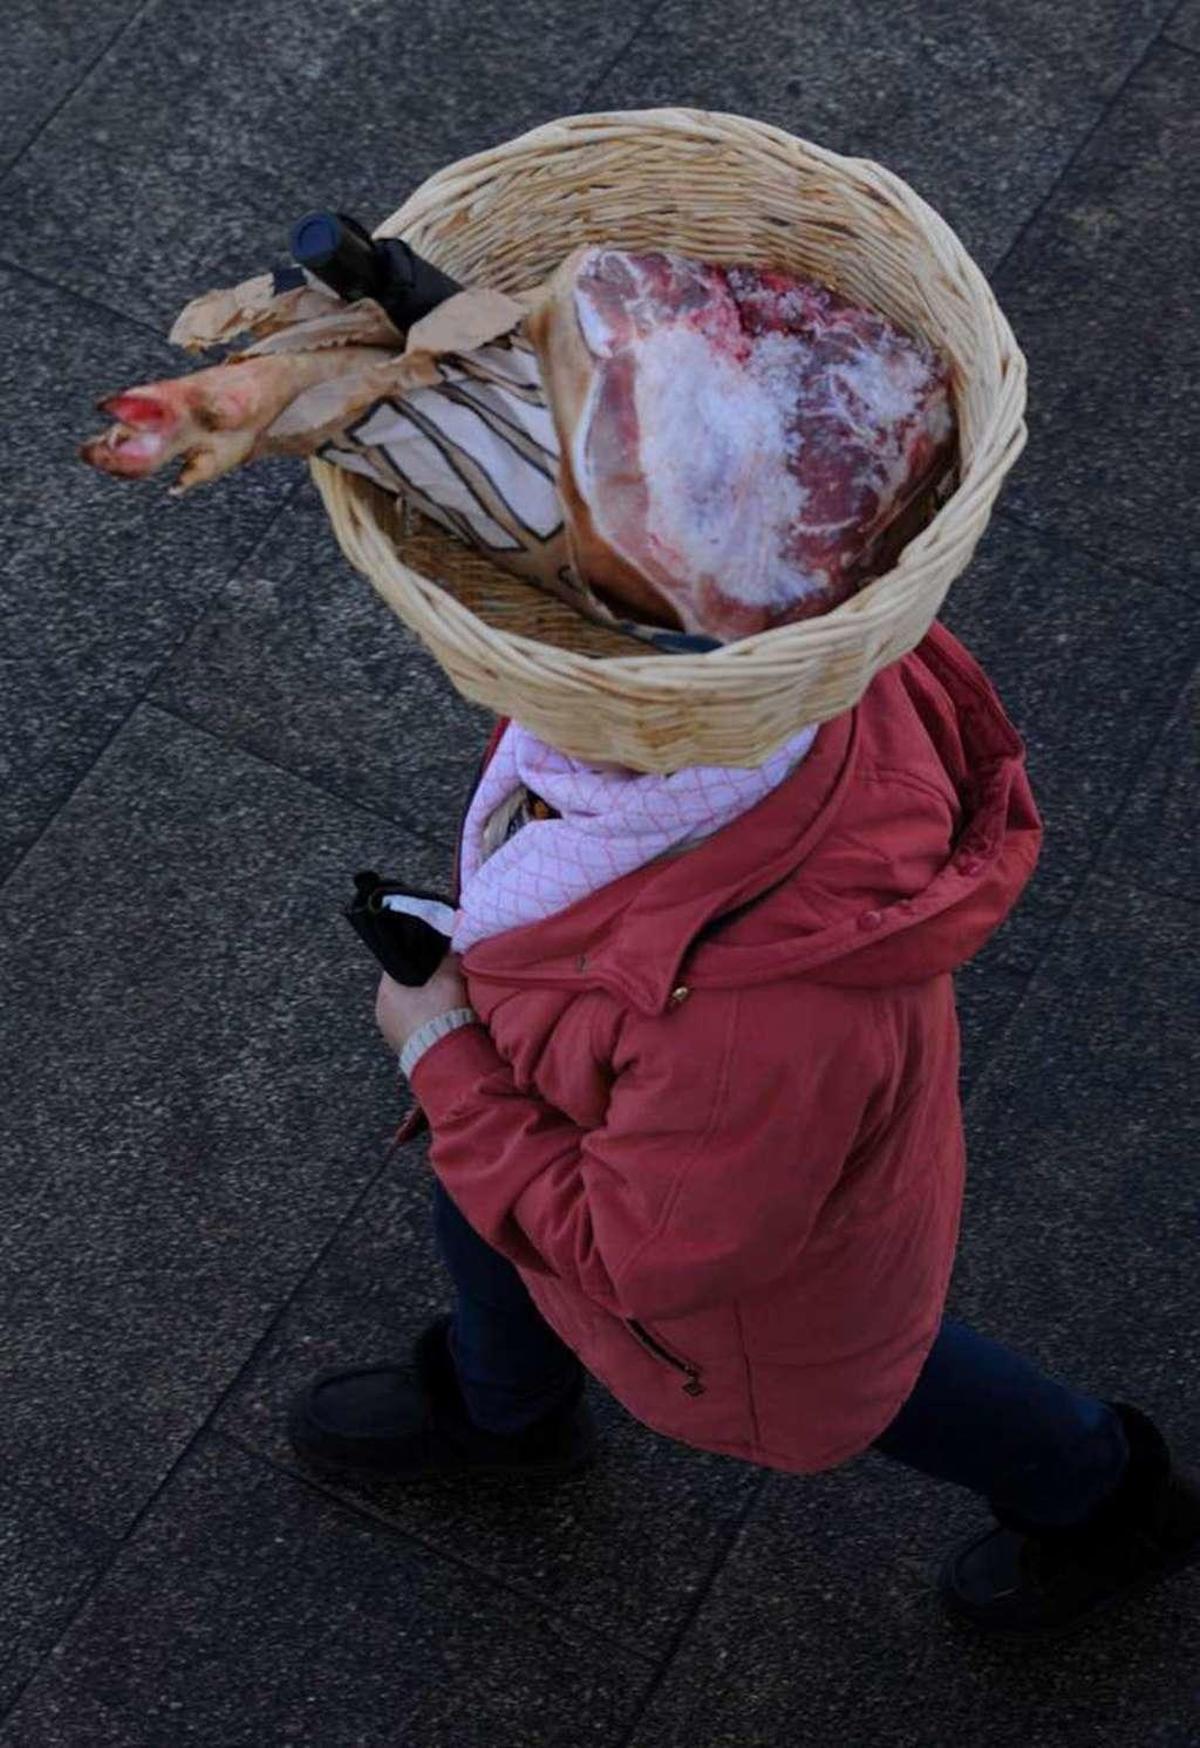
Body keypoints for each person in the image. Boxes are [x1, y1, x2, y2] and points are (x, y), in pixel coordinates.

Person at [288, 620, 1199, 1641]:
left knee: (866, 1372)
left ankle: (1106, 1499)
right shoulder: (766, 684)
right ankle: (504, 1408)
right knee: (487, 1223)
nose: (494, 665)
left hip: (746, 1284)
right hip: (605, 1129)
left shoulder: (747, 1032)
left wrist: (443, 1052)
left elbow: (631, 1254)